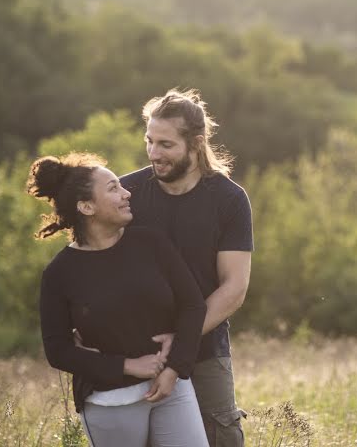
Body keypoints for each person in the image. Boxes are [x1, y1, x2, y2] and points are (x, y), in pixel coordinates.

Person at [28, 151, 209, 447]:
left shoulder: (151, 243)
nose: (127, 193)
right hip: (109, 402)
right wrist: (128, 365)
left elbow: (193, 305)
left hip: (171, 387)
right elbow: (58, 351)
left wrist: (175, 367)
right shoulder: (60, 274)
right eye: (113, 188)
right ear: (86, 206)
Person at [121, 88, 252, 447]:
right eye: (149, 141)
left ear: (195, 144)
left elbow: (234, 287)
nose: (153, 153)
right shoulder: (125, 193)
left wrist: (180, 339)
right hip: (136, 352)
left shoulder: (229, 199)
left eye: (165, 144)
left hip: (205, 351)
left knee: (221, 440)